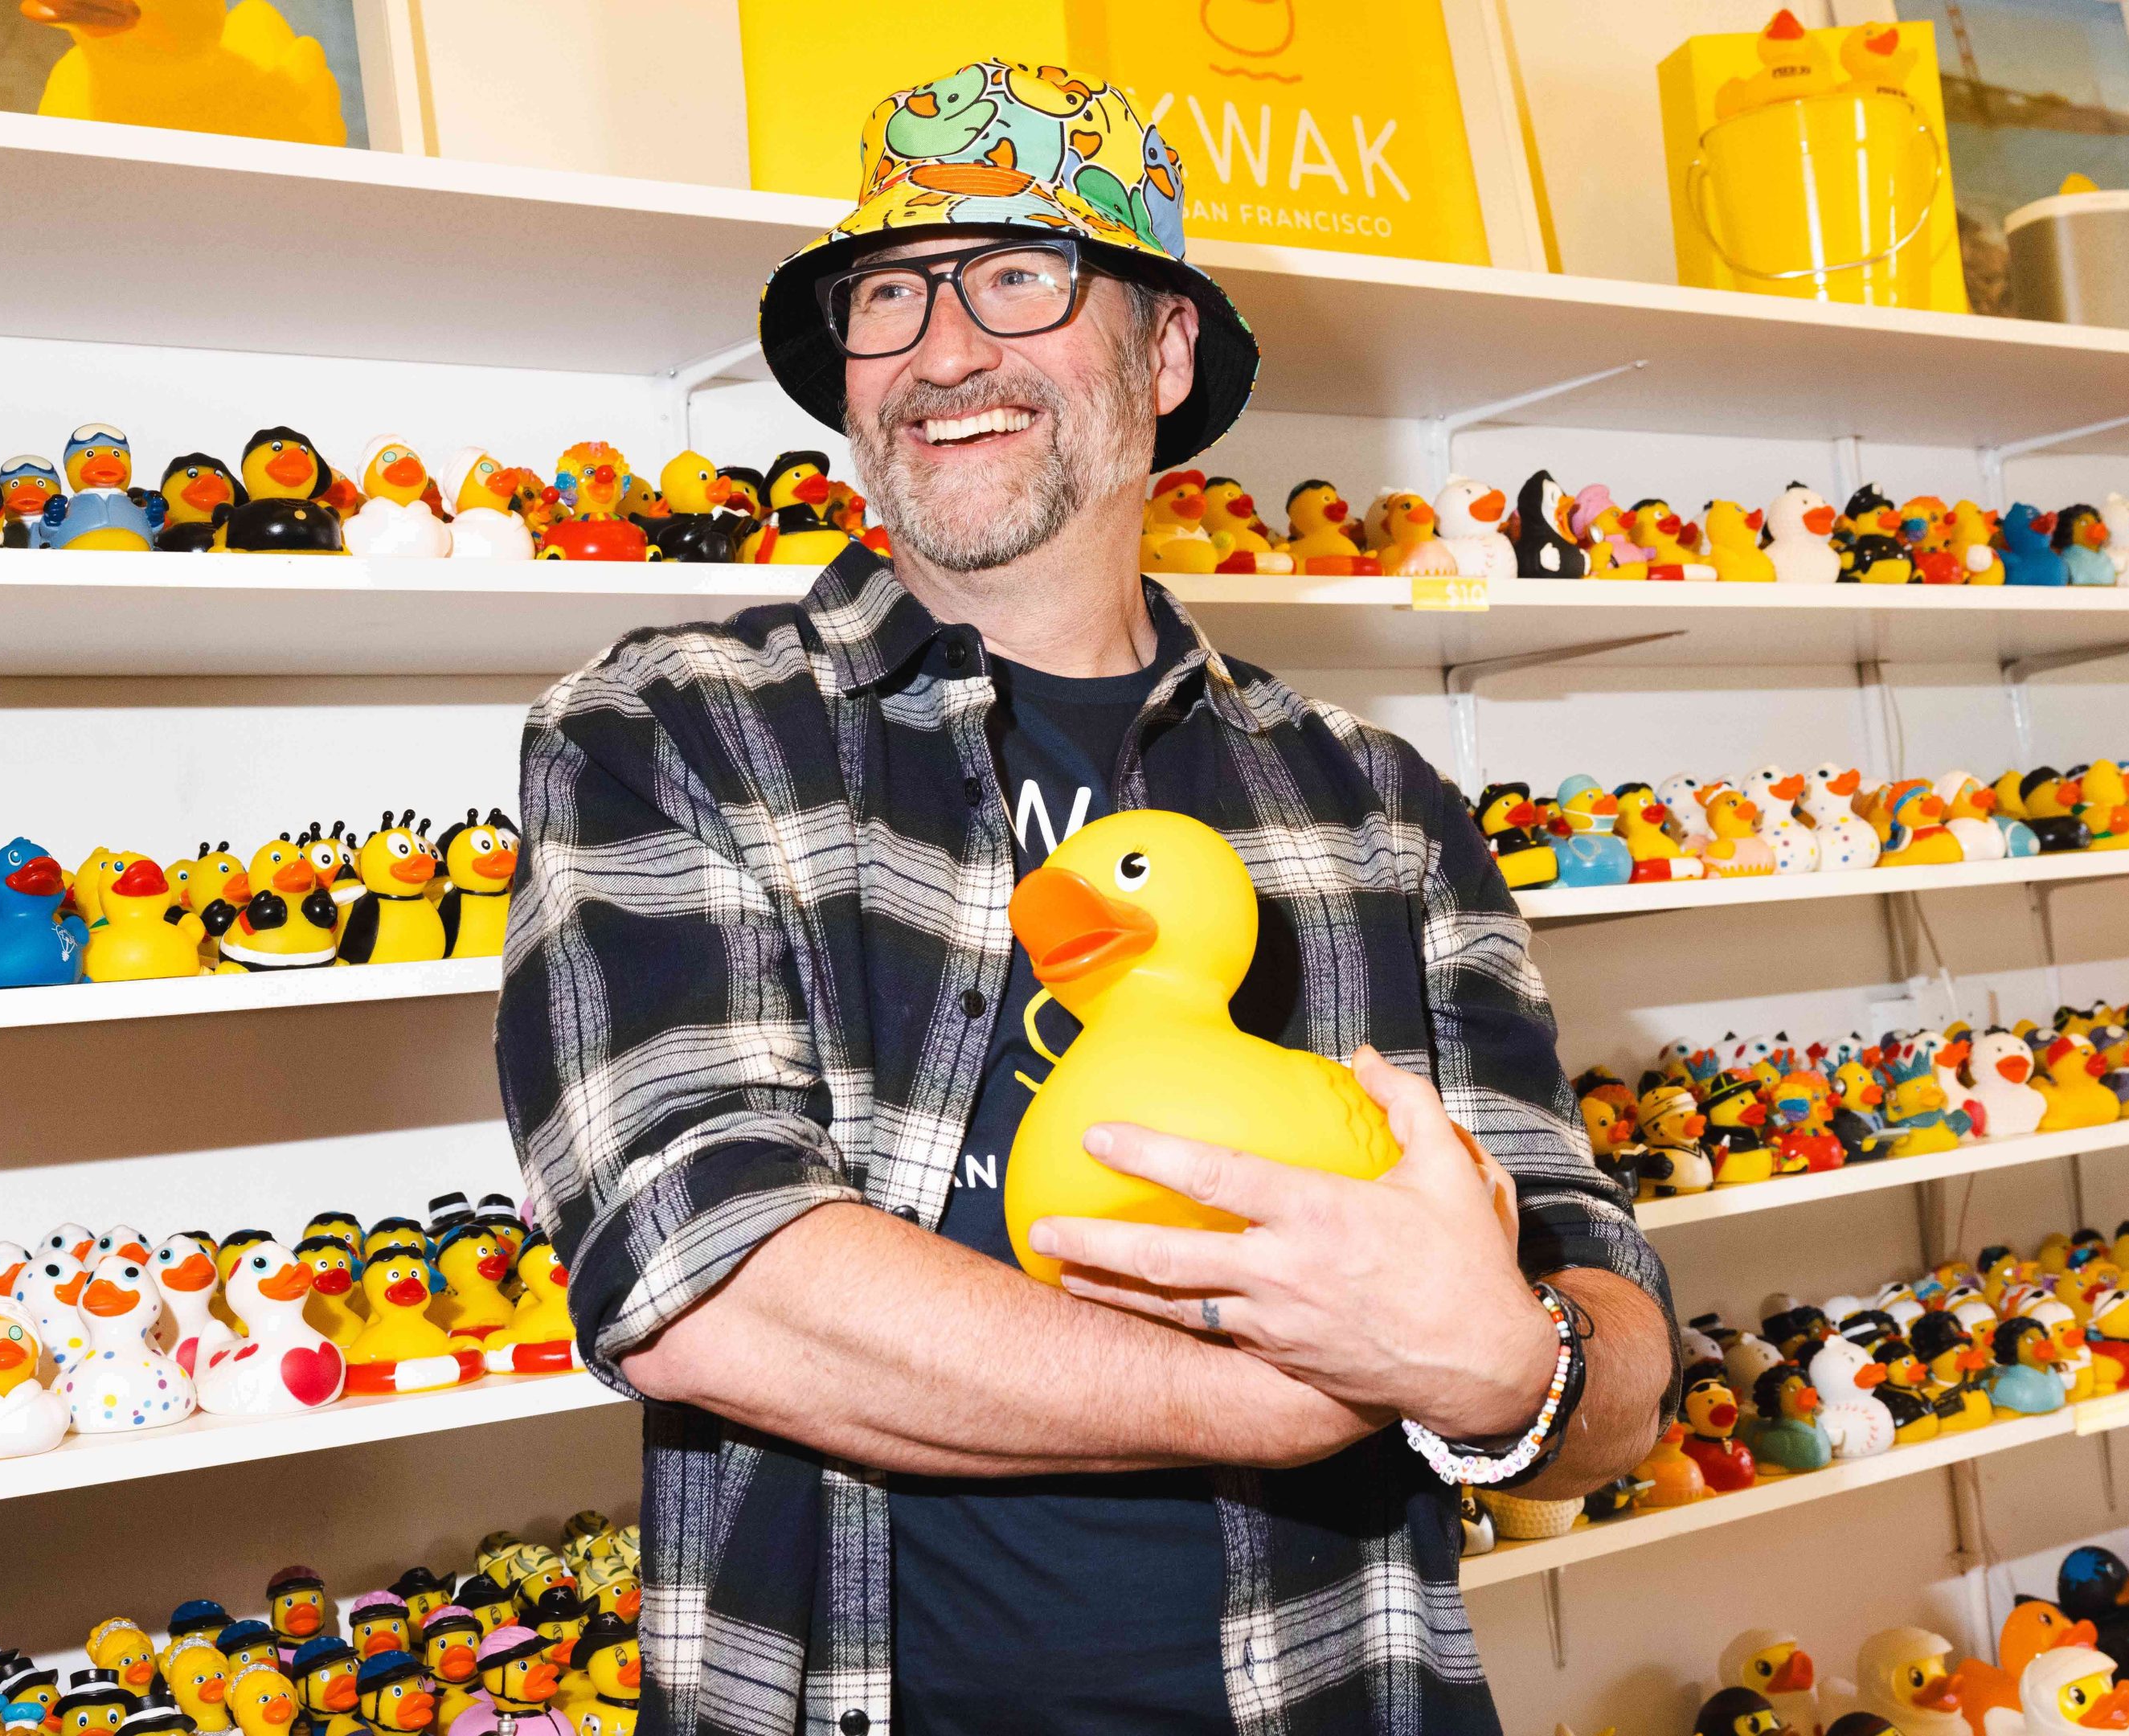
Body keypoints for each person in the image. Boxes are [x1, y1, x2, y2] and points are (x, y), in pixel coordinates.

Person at [497, 59, 1672, 1736]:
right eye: (889, 296)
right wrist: (1286, 1399)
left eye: (1019, 277)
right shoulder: (669, 735)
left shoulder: (1381, 811)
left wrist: (1513, 1373)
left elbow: (1615, 1345)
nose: (945, 351)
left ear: (1165, 350)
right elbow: (701, 1275)